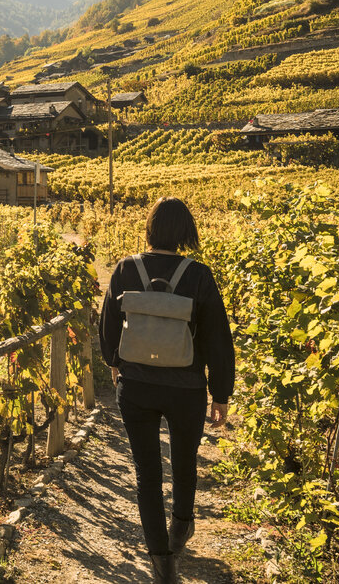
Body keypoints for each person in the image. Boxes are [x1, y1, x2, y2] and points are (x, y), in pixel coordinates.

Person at [99, 197, 235, 584]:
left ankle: (162, 564)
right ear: (185, 232)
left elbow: (108, 325)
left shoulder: (126, 269)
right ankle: (181, 527)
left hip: (136, 386)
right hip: (186, 388)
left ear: (150, 228)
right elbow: (217, 338)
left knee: (147, 473)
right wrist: (220, 393)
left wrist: (115, 363)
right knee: (185, 461)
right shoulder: (199, 275)